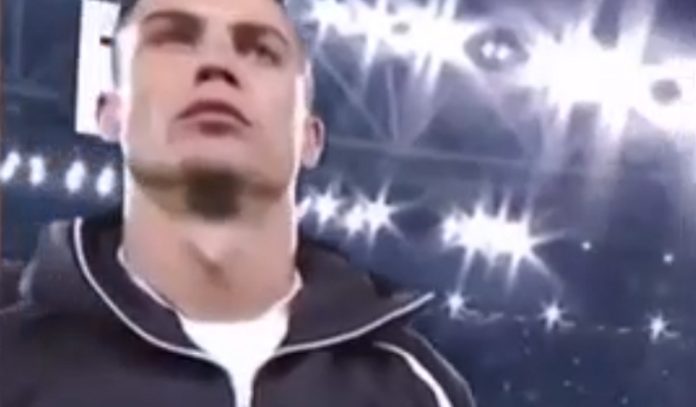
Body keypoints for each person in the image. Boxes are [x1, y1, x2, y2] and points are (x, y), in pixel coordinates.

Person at [0, 0, 476, 406]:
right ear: (109, 113)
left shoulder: (417, 388)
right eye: (174, 39)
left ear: (311, 136)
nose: (217, 64)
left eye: (261, 50)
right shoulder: (13, 363)